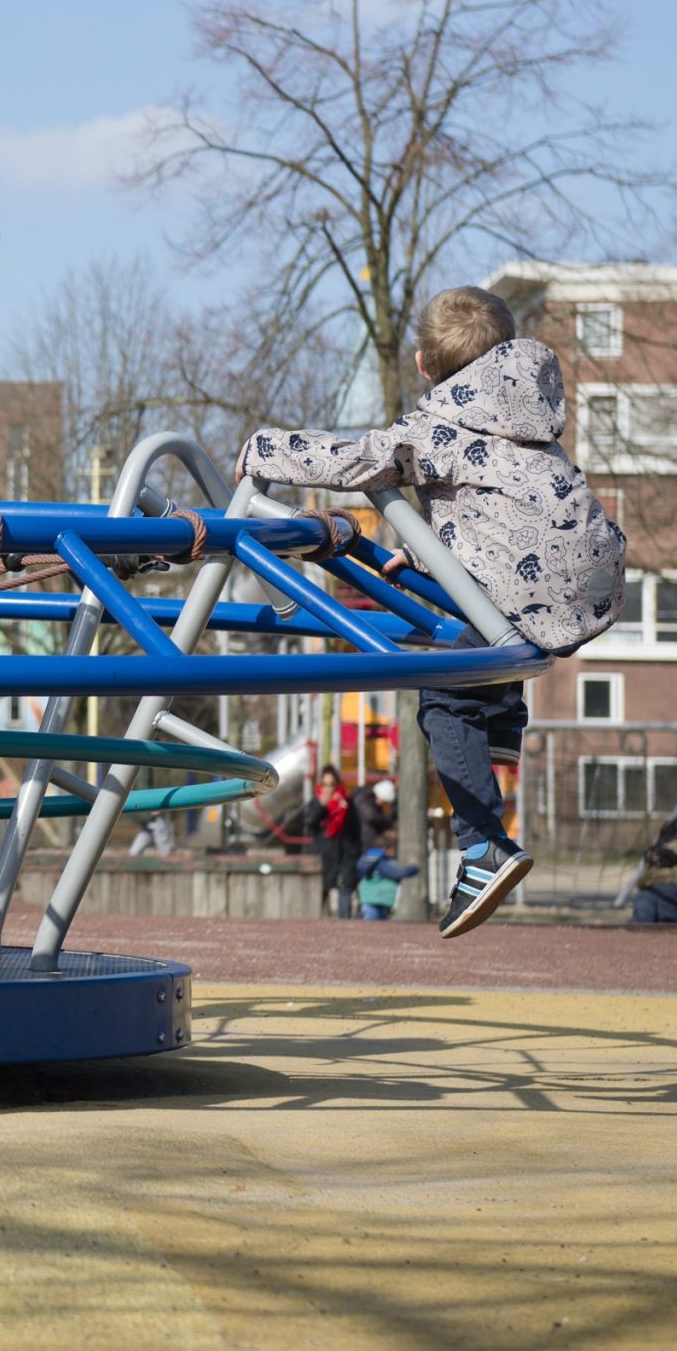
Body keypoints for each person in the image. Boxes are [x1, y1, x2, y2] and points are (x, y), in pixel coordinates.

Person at [239, 286, 627, 940]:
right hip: (596, 579)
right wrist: (423, 558)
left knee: (442, 695)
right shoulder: (531, 412)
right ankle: (501, 718)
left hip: (527, 595)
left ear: (422, 363)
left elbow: (355, 460)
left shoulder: (439, 426)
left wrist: (264, 450)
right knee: (477, 634)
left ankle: (484, 849)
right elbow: (506, 515)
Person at [306, 764, 361, 918]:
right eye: (325, 784)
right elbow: (310, 824)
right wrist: (321, 806)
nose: (328, 788)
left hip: (344, 857)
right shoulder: (316, 803)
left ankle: (345, 928)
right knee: (319, 899)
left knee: (345, 893)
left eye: (332, 784)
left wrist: (354, 855)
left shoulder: (347, 805)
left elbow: (356, 832)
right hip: (323, 858)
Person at [354, 831, 420, 921]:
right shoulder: (380, 863)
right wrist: (413, 869)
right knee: (371, 928)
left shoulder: (369, 858)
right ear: (386, 849)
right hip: (376, 901)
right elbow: (394, 873)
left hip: (370, 900)